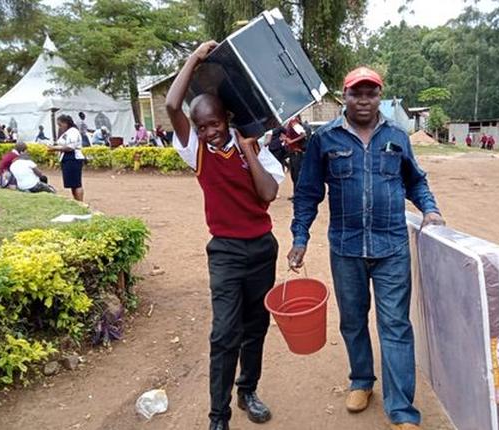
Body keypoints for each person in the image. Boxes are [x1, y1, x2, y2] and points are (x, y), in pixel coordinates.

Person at [288, 66, 445, 430]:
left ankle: (402, 410)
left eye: (370, 93)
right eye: (356, 93)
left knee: (395, 325)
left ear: (380, 97)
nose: (363, 99)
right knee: (353, 321)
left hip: (391, 246)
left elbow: (415, 181)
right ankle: (361, 381)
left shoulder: (397, 135)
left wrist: (431, 210)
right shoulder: (325, 139)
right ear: (345, 96)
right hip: (346, 248)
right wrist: (300, 238)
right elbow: (308, 193)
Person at [165, 40, 285, 430]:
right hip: (226, 253)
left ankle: (247, 390)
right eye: (201, 127)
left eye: (214, 124)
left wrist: (249, 149)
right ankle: (219, 416)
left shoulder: (258, 150)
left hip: (262, 249)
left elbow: (267, 193)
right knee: (223, 334)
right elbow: (171, 106)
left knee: (256, 327)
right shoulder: (195, 151)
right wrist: (193, 59)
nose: (208, 132)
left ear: (228, 118)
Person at [48, 114, 85, 202]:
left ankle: (81, 203)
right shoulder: (67, 132)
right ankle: (77, 202)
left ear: (66, 123)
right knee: (73, 184)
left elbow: (70, 147)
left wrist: (54, 148)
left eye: (60, 125)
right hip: (67, 158)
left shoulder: (73, 132)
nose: (59, 127)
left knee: (77, 183)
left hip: (73, 158)